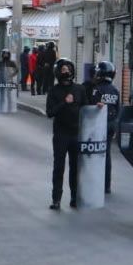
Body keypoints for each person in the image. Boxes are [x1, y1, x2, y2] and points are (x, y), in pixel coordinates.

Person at [45, 58, 88, 210]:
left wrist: (98, 108)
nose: (66, 71)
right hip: (61, 134)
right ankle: (56, 199)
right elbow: (49, 113)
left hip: (76, 134)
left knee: (75, 167)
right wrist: (64, 102)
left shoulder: (79, 89)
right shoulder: (54, 91)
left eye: (68, 69)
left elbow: (86, 110)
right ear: (58, 72)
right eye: (63, 69)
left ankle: (75, 198)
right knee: (59, 167)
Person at [85, 61, 120, 194]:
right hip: (111, 124)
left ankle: (95, 182)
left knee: (94, 154)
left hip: (98, 125)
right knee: (106, 154)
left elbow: (91, 106)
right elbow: (118, 109)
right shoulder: (115, 90)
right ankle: (107, 186)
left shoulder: (97, 89)